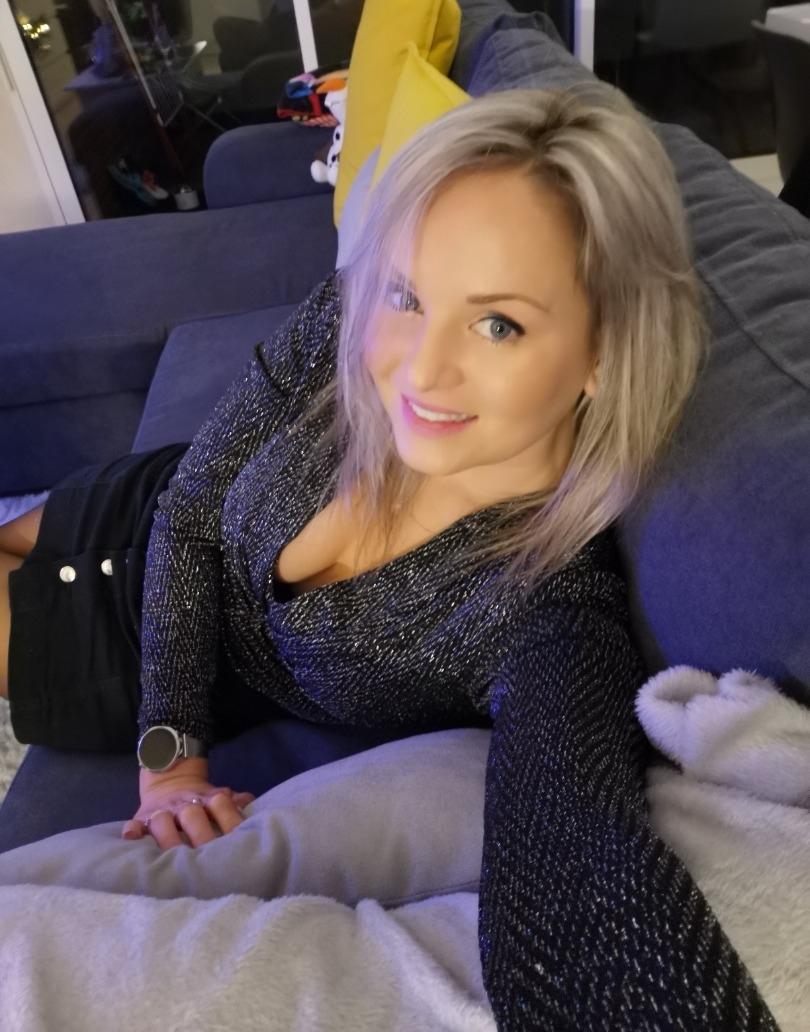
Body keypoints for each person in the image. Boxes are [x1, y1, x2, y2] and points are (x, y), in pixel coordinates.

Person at [0, 86, 774, 1028]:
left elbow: (579, 858)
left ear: (604, 350)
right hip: (145, 502)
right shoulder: (349, 315)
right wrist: (172, 751)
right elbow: (193, 505)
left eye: (498, 323)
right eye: (408, 296)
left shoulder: (544, 608)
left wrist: (166, 742)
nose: (418, 367)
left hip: (113, 650)